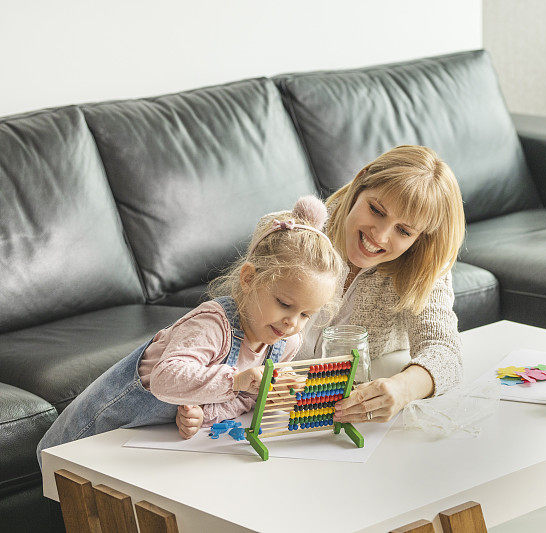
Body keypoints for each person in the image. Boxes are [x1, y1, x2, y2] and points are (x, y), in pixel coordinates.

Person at [37, 196, 344, 464]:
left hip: (146, 445)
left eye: (306, 314)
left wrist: (204, 415)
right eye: (284, 303)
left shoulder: (284, 342)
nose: (293, 322)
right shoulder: (212, 324)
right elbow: (166, 378)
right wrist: (237, 380)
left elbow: (248, 399)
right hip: (89, 438)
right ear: (249, 279)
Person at [314, 144, 466, 425]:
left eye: (404, 230)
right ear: (360, 182)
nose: (380, 236)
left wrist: (403, 388)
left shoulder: (420, 268)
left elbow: (444, 351)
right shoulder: (299, 232)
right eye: (376, 210)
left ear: (418, 239)